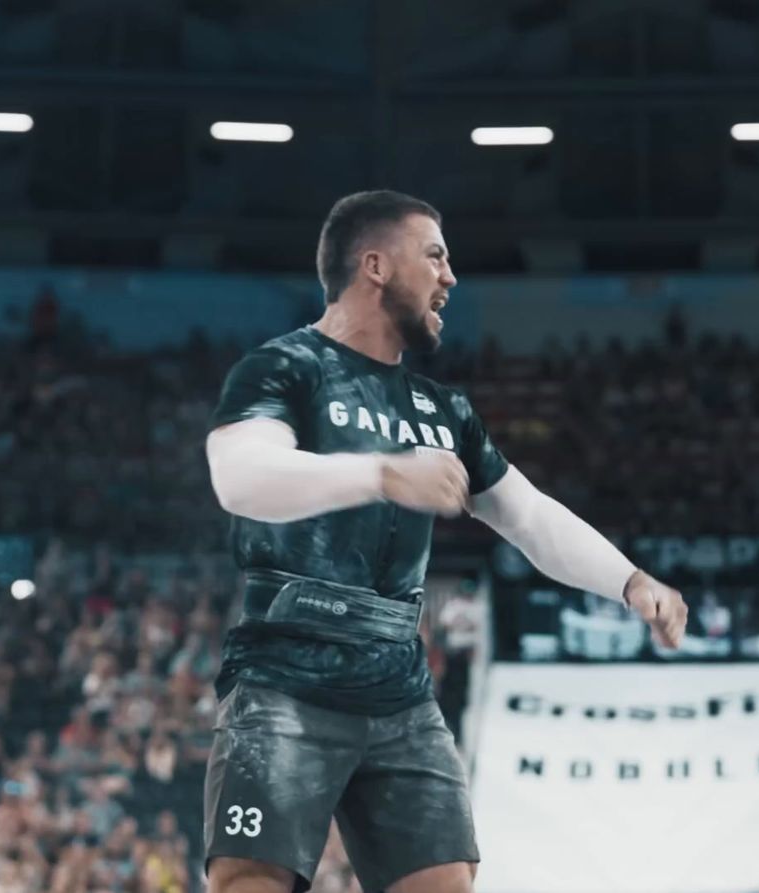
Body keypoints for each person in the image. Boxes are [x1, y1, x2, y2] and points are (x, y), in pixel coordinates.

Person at [201, 190, 690, 893]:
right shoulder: (282, 368)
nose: (450, 277)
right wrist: (381, 472)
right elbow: (240, 478)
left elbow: (529, 516)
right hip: (284, 679)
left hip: (399, 690)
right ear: (375, 264)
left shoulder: (443, 408)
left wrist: (630, 580)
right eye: (435, 255)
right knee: (251, 883)